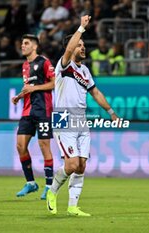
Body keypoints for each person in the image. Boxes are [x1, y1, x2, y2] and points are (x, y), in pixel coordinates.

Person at [46, 15, 118, 217]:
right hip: (63, 118)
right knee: (71, 164)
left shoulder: (85, 71)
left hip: (81, 120)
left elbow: (95, 93)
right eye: (80, 45)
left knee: (82, 165)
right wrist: (81, 28)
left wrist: (111, 112)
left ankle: (72, 206)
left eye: (84, 45)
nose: (82, 48)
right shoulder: (63, 66)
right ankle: (52, 191)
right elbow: (68, 50)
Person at [11, 34, 55, 200]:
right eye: (22, 43)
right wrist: (19, 96)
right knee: (20, 146)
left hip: (43, 110)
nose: (23, 46)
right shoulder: (24, 66)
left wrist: (34, 89)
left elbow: (54, 83)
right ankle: (31, 183)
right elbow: (28, 87)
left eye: (26, 43)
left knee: (44, 146)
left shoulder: (44, 62)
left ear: (34, 46)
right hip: (27, 111)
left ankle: (49, 186)